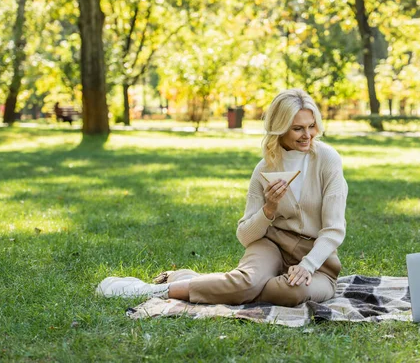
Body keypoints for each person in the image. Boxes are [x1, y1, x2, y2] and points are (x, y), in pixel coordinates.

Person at [96, 89, 348, 307]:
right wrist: (268, 210)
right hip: (272, 246)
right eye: (298, 128)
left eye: (311, 126)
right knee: (247, 281)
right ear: (280, 129)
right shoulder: (265, 169)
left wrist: (307, 265)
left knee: (289, 292)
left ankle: (199, 280)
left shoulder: (327, 160)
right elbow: (245, 236)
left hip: (318, 261)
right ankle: (153, 291)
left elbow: (334, 229)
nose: (308, 135)